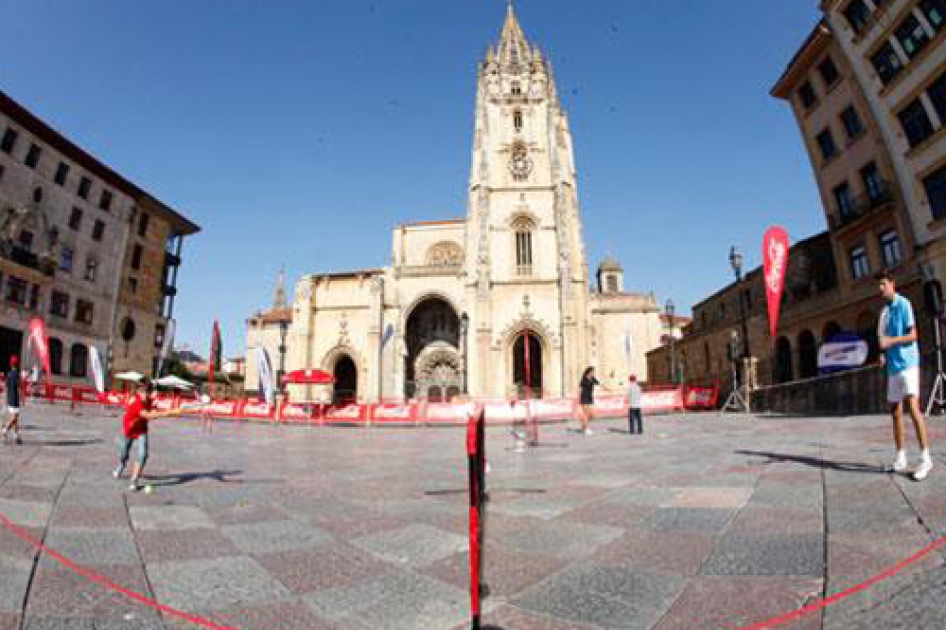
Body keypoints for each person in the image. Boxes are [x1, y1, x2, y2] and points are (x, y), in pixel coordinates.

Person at [877, 270, 933, 481]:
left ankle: (926, 458)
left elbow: (913, 335)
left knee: (913, 407)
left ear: (893, 284)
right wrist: (882, 354)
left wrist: (891, 342)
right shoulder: (884, 313)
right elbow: (882, 340)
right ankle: (901, 457)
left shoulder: (904, 304)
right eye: (879, 285)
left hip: (908, 363)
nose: (880, 289)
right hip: (892, 367)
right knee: (895, 411)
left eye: (883, 284)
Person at [112, 378, 181, 491]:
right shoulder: (136, 401)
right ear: (138, 391)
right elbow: (148, 415)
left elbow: (153, 410)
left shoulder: (148, 400)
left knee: (143, 454)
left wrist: (173, 410)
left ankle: (134, 479)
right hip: (129, 430)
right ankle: (121, 465)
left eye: (147, 392)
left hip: (142, 430)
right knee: (124, 453)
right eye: (143, 392)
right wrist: (168, 413)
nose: (146, 395)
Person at [3, 356, 23, 444]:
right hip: (14, 399)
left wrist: (6, 399)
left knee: (15, 419)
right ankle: (5, 430)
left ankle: (16, 437)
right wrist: (22, 397)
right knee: (14, 418)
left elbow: (6, 386)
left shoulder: (9, 373)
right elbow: (18, 387)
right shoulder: (16, 374)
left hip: (9, 398)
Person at [578, 366, 599, 435]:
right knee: (586, 414)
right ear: (589, 372)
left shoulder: (593, 378)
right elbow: (580, 388)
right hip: (584, 397)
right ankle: (586, 429)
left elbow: (599, 384)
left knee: (591, 414)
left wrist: (607, 388)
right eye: (593, 371)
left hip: (590, 397)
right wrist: (578, 398)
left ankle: (583, 425)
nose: (593, 373)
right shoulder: (584, 379)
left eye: (594, 372)